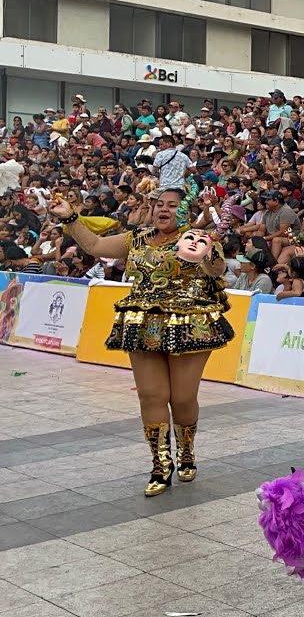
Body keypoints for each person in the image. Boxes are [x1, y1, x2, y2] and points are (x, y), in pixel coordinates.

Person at [48, 189, 233, 496]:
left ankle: (186, 450)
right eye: (159, 204)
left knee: (183, 399)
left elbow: (217, 270)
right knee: (151, 395)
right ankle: (161, 465)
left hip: (189, 322)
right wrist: (69, 216)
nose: (163, 210)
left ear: (185, 211)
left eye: (172, 205)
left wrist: (206, 250)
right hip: (144, 320)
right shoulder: (137, 238)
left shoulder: (198, 238)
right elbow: (94, 245)